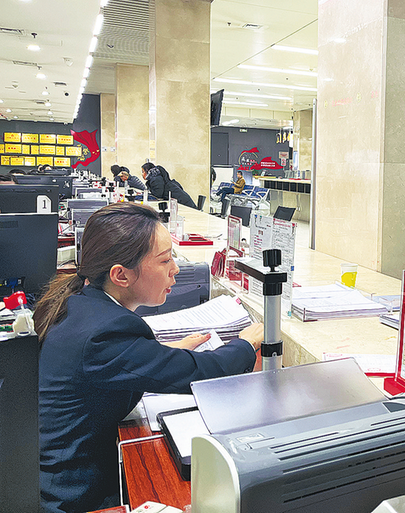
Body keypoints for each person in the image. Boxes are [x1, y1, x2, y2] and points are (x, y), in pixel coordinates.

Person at [35, 202, 264, 513]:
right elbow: (202, 372)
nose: (175, 269)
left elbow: (124, 365)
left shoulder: (83, 304)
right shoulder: (106, 333)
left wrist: (165, 353)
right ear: (121, 275)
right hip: (74, 497)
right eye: (165, 260)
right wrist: (246, 344)